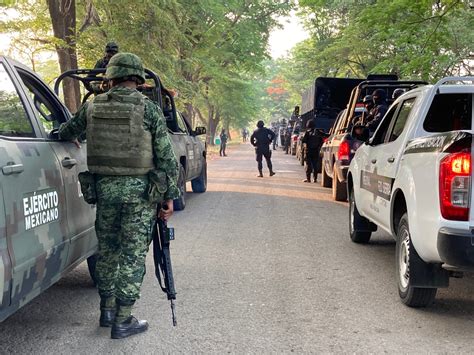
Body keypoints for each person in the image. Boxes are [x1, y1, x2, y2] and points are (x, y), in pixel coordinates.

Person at [59, 52, 180, 339]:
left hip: (104, 192)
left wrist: (64, 133)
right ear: (137, 78)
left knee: (108, 251)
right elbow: (167, 158)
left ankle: (107, 311)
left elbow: (66, 131)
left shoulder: (91, 107)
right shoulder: (148, 109)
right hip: (139, 195)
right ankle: (123, 320)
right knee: (132, 255)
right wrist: (168, 197)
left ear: (109, 78)